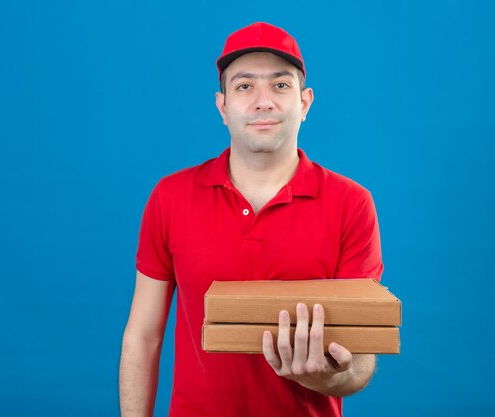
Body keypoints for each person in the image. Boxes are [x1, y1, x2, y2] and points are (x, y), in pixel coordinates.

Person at [119, 22, 383, 417]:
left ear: (305, 103)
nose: (264, 101)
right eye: (244, 87)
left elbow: (360, 363)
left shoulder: (352, 204)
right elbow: (143, 336)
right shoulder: (170, 197)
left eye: (280, 85)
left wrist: (322, 377)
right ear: (222, 107)